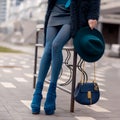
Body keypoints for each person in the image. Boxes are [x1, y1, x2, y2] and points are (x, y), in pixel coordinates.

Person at [31, 0, 100, 115]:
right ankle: (37, 93)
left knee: (56, 45)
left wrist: (93, 15)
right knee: (48, 48)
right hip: (55, 9)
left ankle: (51, 93)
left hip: (73, 13)